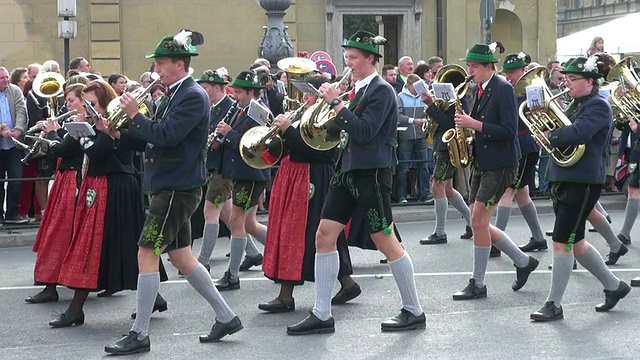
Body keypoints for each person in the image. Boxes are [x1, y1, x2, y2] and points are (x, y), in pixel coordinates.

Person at [103, 31, 241, 355]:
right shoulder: (171, 94)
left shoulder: (192, 95)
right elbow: (149, 139)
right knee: (181, 257)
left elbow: (167, 135)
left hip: (176, 187)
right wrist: (117, 132)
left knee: (146, 252)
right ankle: (226, 316)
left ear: (180, 64)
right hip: (169, 184)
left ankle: (139, 333)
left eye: (161, 62)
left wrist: (136, 114)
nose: (156, 68)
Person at [287, 30, 425, 335]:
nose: (348, 63)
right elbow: (340, 130)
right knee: (324, 235)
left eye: (354, 58)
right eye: (347, 57)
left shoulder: (381, 91)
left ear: (370, 59)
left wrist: (337, 105)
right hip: (347, 169)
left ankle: (414, 310)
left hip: (372, 172)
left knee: (384, 239)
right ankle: (322, 313)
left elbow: (364, 132)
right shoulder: (358, 90)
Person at [530, 57, 630, 321]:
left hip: (583, 180)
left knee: (562, 242)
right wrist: (543, 129)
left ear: (589, 82)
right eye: (566, 79)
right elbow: (564, 132)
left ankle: (553, 304)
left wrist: (549, 134)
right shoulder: (576, 103)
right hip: (566, 177)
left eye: (573, 80)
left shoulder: (597, 106)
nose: (567, 84)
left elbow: (578, 133)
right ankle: (614, 286)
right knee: (578, 242)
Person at [260, 74, 361, 313]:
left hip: (313, 176)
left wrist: (288, 131)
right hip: (294, 174)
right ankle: (345, 283)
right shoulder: (305, 111)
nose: (304, 97)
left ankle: (288, 295)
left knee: (303, 233)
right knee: (298, 232)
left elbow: (317, 152)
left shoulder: (330, 115)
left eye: (308, 92)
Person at [50, 80, 143, 327]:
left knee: (92, 244)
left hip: (115, 186)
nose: (89, 109)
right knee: (122, 245)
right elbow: (72, 148)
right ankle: (154, 297)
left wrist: (87, 132)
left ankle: (75, 310)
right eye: (87, 104)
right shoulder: (96, 123)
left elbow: (96, 151)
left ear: (104, 102)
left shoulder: (116, 121)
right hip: (104, 185)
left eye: (93, 104)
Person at [451, 44, 538, 300]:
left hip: (501, 164)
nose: (470, 71)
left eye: (474, 66)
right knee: (480, 222)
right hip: (483, 161)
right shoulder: (479, 89)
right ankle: (523, 262)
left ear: (489, 66)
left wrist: (473, 124)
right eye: (469, 66)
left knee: (477, 220)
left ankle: (478, 283)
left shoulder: (502, 89)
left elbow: (509, 132)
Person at [26, 84, 86, 304]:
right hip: (65, 178)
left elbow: (65, 149)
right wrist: (55, 130)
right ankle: (52, 284)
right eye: (67, 101)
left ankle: (52, 286)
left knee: (60, 233)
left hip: (74, 179)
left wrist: (53, 131)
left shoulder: (86, 122)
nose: (67, 105)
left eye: (71, 100)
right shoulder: (77, 122)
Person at [213, 70, 270, 291]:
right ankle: (281, 252)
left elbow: (258, 143)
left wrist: (229, 134)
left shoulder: (259, 112)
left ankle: (232, 274)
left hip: (252, 174)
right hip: (241, 173)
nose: (234, 95)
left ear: (250, 92)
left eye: (238, 92)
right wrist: (219, 141)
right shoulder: (239, 110)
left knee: (237, 220)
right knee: (247, 223)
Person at [490, 53, 547, 254]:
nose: (509, 76)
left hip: (525, 145)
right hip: (519, 145)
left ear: (524, 70)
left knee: (508, 191)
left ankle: (497, 243)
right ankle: (539, 237)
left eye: (513, 72)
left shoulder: (532, 89)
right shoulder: (509, 90)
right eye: (507, 72)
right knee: (522, 194)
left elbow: (541, 117)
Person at [418, 70, 473, 245]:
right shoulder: (449, 99)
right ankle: (472, 222)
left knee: (437, 185)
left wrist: (431, 106)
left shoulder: (458, 100)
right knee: (447, 189)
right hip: (442, 145)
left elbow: (449, 123)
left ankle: (440, 232)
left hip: (448, 147)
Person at [194, 69, 235, 272]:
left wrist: (222, 140)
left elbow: (237, 135)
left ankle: (202, 261)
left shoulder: (230, 106)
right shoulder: (211, 107)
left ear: (217, 88)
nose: (202, 92)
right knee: (229, 217)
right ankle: (255, 253)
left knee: (210, 211)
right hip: (214, 166)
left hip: (224, 168)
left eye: (206, 89)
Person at [395, 74, 433, 204]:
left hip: (421, 136)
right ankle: (401, 195)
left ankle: (425, 194)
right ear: (410, 85)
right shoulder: (400, 97)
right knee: (403, 166)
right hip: (406, 136)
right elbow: (398, 116)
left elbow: (428, 112)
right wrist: (413, 120)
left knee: (424, 165)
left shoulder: (423, 97)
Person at [0, 66, 28, 224]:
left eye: (6, 77)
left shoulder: (15, 90)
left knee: (16, 180)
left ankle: (12, 213)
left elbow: (21, 111)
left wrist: (18, 129)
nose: (6, 80)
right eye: (2, 78)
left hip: (13, 145)